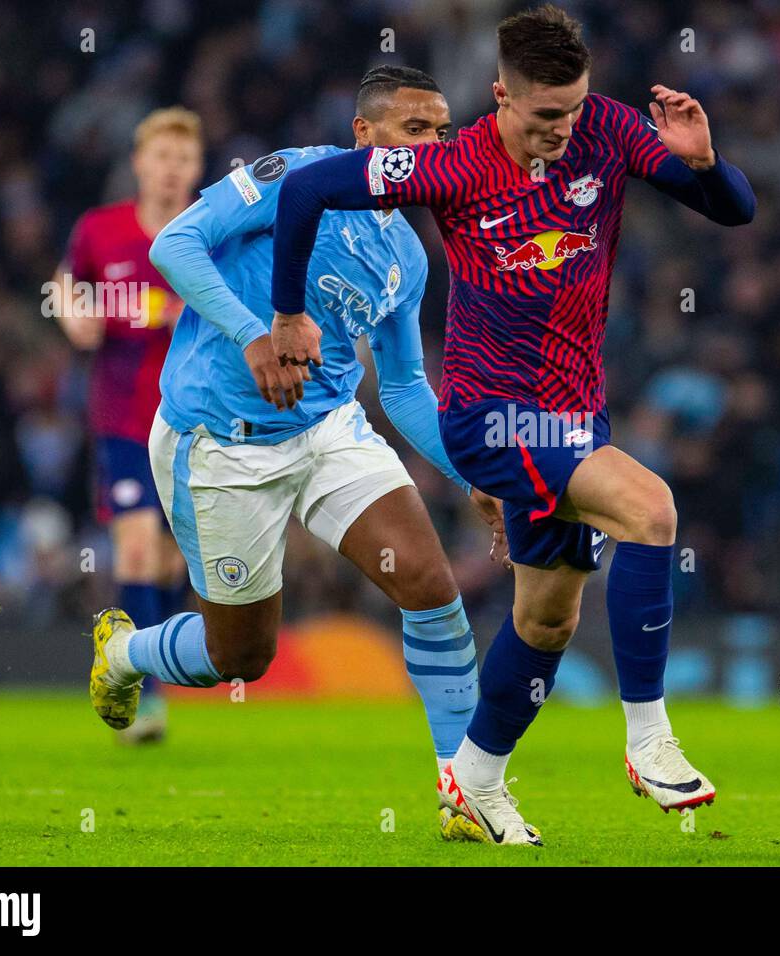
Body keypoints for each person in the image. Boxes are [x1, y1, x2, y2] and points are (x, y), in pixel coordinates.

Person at [269, 5, 755, 844]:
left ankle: (475, 778)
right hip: (489, 419)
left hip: (576, 416)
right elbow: (307, 189)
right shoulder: (451, 167)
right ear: (500, 96)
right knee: (652, 509)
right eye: (543, 116)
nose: (563, 130)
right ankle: (650, 741)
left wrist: (707, 163)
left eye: (573, 109)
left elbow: (733, 211)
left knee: (546, 621)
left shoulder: (608, 129)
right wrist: (285, 317)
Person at [88, 67, 501, 840]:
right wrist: (254, 332)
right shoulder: (294, 174)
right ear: (364, 137)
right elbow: (176, 245)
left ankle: (468, 791)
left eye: (443, 133)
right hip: (218, 442)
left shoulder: (408, 254)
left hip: (327, 431)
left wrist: (475, 474)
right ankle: (127, 652)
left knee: (429, 581)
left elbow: (407, 389)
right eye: (416, 131)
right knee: (240, 658)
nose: (434, 147)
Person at [51, 107, 205, 742]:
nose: (171, 171)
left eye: (184, 160)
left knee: (175, 565)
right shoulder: (102, 230)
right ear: (139, 163)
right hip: (123, 421)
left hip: (198, 423)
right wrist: (71, 313)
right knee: (137, 546)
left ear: (197, 169)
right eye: (161, 158)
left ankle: (147, 655)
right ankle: (144, 694)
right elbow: (66, 282)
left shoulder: (209, 231)